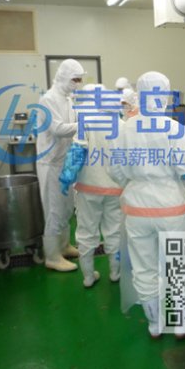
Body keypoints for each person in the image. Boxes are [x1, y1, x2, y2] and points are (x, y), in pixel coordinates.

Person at [109, 71, 185, 338]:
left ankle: (154, 324)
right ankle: (182, 322)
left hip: (136, 209)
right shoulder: (173, 128)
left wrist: (136, 181)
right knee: (179, 265)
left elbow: (115, 172)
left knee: (144, 267)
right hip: (171, 208)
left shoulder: (124, 129)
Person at [67, 84, 124, 288]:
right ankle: (115, 273)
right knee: (114, 231)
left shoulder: (86, 121)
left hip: (88, 187)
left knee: (86, 232)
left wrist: (67, 175)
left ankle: (89, 276)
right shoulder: (121, 124)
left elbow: (77, 152)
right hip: (115, 188)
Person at [36, 59, 84, 272]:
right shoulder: (48, 99)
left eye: (79, 80)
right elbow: (57, 129)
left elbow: (74, 122)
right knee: (54, 209)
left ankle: (64, 246)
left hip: (64, 160)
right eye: (75, 79)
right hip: (50, 163)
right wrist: (85, 124)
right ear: (64, 76)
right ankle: (52, 256)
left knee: (66, 207)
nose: (77, 84)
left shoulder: (68, 99)